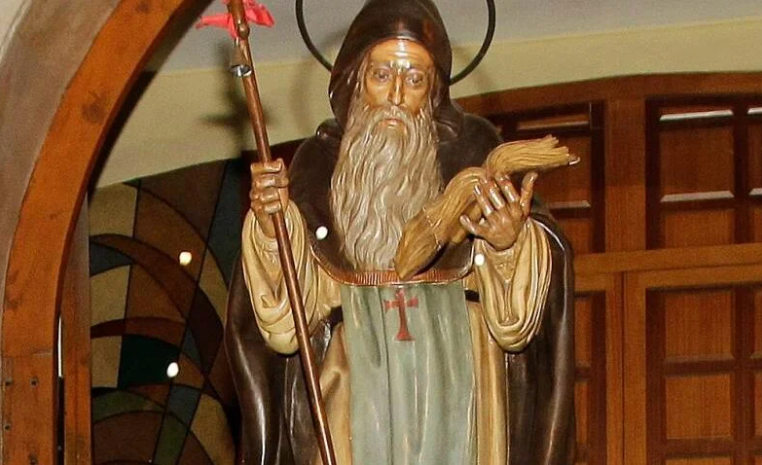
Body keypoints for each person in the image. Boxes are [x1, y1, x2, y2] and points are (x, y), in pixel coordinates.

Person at [225, 0, 575, 463]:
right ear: (356, 81)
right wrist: (273, 224)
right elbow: (285, 325)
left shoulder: (473, 150)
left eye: (414, 80)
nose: (395, 95)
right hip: (355, 381)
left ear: (433, 92)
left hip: (459, 379)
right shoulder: (318, 164)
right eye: (381, 75)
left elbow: (519, 324)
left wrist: (508, 244)